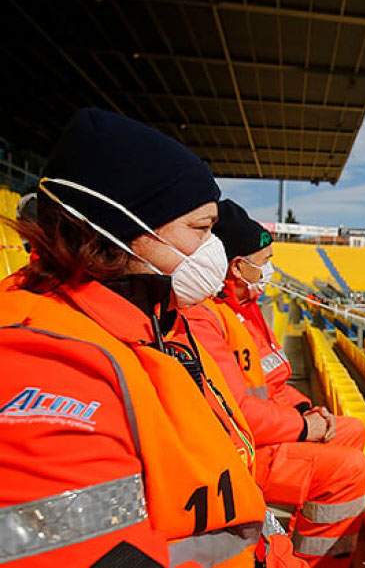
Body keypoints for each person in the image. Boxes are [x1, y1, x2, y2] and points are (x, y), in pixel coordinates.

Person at [0, 109, 298, 566]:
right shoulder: (40, 360)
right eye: (201, 229)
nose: (214, 251)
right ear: (117, 232)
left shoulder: (149, 323)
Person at [183, 200, 365, 567]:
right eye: (264, 260)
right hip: (239, 451)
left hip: (263, 431)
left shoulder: (247, 311)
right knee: (348, 468)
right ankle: (317, 562)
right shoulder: (209, 317)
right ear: (237, 267)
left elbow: (276, 382)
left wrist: (305, 410)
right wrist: (304, 427)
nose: (269, 270)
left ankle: (301, 539)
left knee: (351, 431)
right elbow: (239, 413)